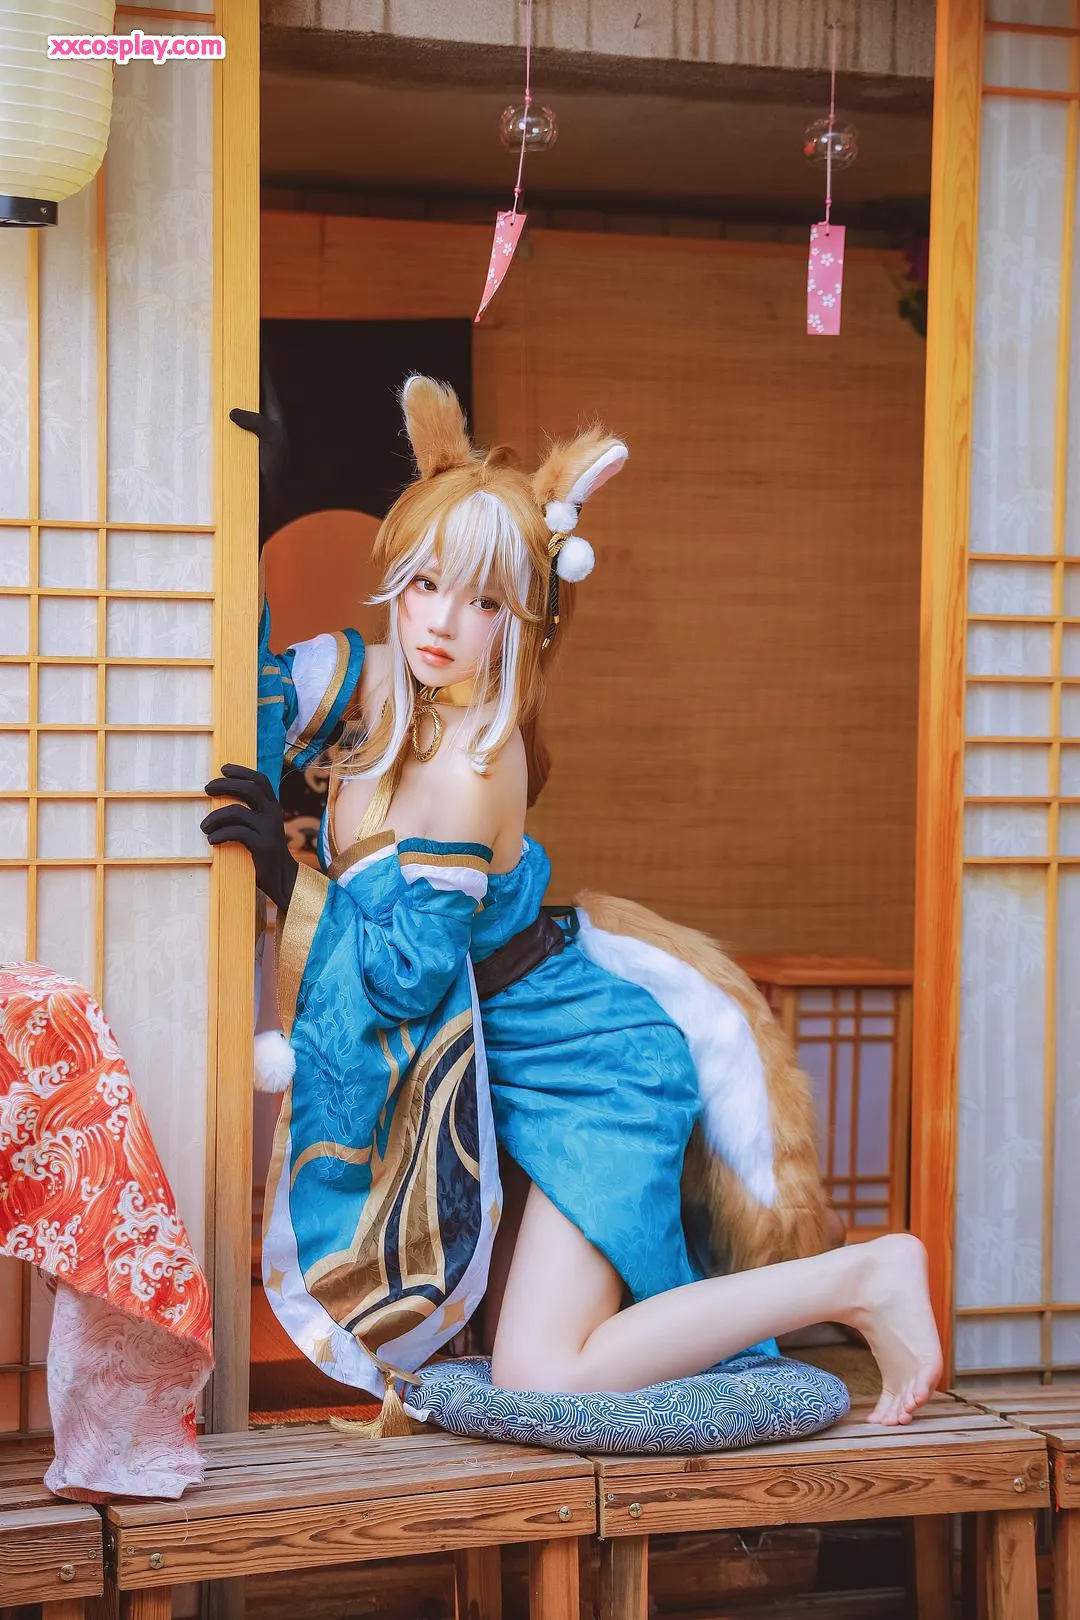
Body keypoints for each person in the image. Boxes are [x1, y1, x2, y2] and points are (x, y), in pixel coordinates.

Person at [204, 377, 941, 1429]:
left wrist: (289, 880)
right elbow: (248, 693)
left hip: (589, 1073)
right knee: (514, 1350)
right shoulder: (373, 684)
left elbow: (407, 979)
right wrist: (240, 508)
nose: (441, 622)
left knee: (542, 1375)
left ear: (526, 618)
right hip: (496, 1071)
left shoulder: (476, 764)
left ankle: (861, 1277)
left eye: (484, 601)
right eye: (424, 583)